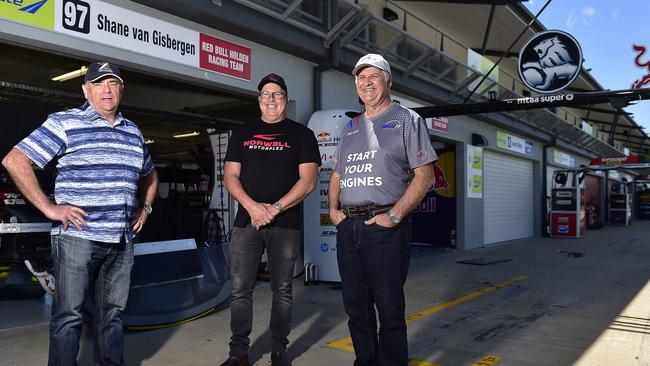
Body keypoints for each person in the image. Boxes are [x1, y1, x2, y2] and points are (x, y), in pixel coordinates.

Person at [2, 61, 158, 366]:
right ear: (86, 90)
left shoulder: (133, 132)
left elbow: (150, 175)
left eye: (113, 84)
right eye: (98, 84)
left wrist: (146, 207)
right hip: (78, 238)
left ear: (121, 90)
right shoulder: (65, 123)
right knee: (69, 317)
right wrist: (49, 207)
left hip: (121, 240)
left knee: (112, 315)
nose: (106, 90)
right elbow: (15, 160)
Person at [328, 54, 436, 366]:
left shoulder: (408, 120)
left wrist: (392, 217)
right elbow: (337, 174)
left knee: (389, 310)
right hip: (349, 228)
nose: (367, 82)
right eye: (361, 78)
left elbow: (424, 175)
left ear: (388, 80)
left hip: (385, 228)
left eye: (374, 76)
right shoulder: (351, 126)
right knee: (356, 308)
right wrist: (334, 210)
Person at [220, 73, 321, 366]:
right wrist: (253, 208)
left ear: (286, 99)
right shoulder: (242, 133)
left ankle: (279, 351)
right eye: (266, 94)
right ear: (259, 100)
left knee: (284, 289)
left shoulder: (302, 135)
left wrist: (273, 209)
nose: (271, 99)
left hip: (285, 224)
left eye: (277, 94)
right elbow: (230, 175)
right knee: (240, 290)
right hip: (246, 222)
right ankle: (238, 353)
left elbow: (309, 181)